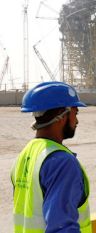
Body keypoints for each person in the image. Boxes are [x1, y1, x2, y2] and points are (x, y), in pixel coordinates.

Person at [11, 81, 91, 233]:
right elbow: (61, 228)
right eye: (75, 113)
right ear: (61, 115)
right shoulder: (62, 163)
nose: (77, 121)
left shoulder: (25, 154)